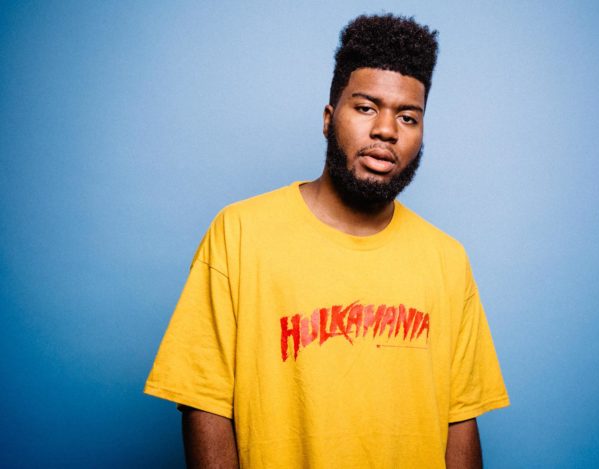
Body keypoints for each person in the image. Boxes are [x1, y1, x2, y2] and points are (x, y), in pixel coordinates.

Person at [145, 13, 509, 469]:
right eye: (366, 107)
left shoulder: (447, 260)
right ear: (328, 118)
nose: (386, 130)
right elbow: (204, 403)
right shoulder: (239, 234)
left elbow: (461, 419)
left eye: (408, 117)